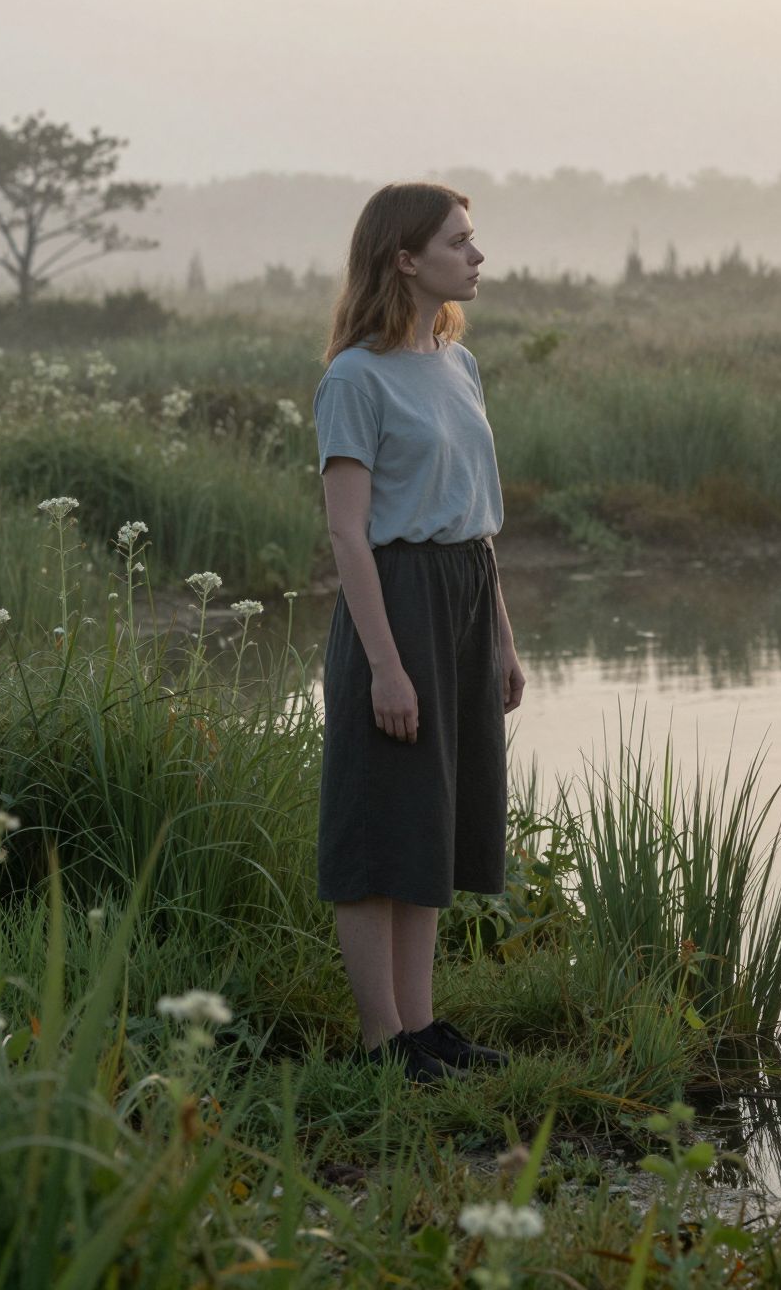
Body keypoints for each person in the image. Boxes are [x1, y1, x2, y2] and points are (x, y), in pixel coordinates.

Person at [311, 181, 527, 1084]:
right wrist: (386, 668)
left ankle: (422, 1026)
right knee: (380, 825)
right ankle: (381, 1041)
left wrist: (502, 638)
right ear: (404, 258)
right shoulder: (354, 378)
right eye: (457, 242)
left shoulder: (457, 364)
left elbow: (474, 518)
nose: (476, 255)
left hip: (464, 595)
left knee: (431, 819)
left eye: (473, 239)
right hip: (395, 604)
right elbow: (348, 533)